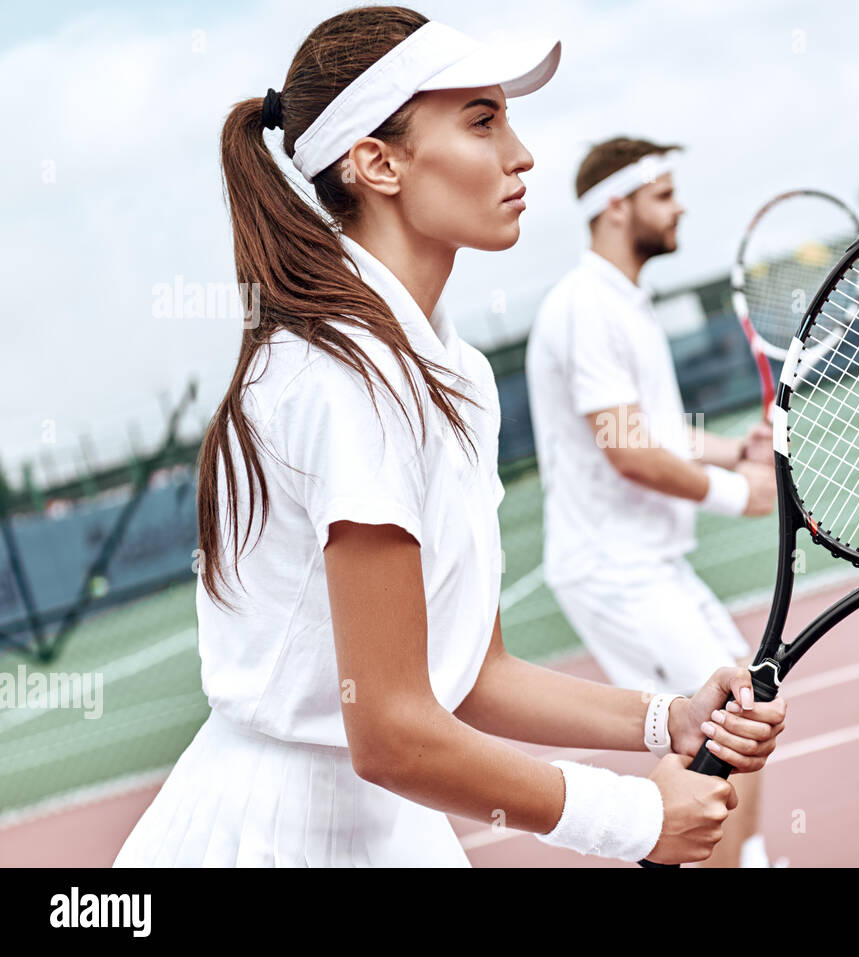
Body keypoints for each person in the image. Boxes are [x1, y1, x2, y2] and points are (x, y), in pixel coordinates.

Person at [113, 8, 786, 868]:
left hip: (382, 821)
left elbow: (473, 674)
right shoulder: (347, 374)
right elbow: (391, 730)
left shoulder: (447, 366)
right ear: (376, 162)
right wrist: (634, 816)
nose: (522, 152)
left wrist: (667, 718)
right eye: (482, 120)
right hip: (271, 837)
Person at [525, 137, 781, 867]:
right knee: (718, 731)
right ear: (615, 206)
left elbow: (655, 430)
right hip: (613, 568)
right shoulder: (585, 307)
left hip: (650, 561)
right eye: (663, 193)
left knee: (745, 711)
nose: (681, 206)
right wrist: (740, 493)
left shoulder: (622, 303)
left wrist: (734, 449)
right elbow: (628, 449)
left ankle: (747, 858)